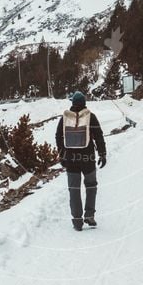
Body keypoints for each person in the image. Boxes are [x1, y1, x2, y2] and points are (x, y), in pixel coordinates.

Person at [55, 91, 107, 231]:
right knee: (91, 186)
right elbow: (99, 136)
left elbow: (58, 136)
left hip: (71, 159)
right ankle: (89, 215)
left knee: (74, 189)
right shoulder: (91, 117)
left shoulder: (65, 118)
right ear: (84, 103)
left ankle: (77, 221)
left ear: (72, 103)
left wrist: (62, 155)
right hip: (88, 158)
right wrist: (102, 154)